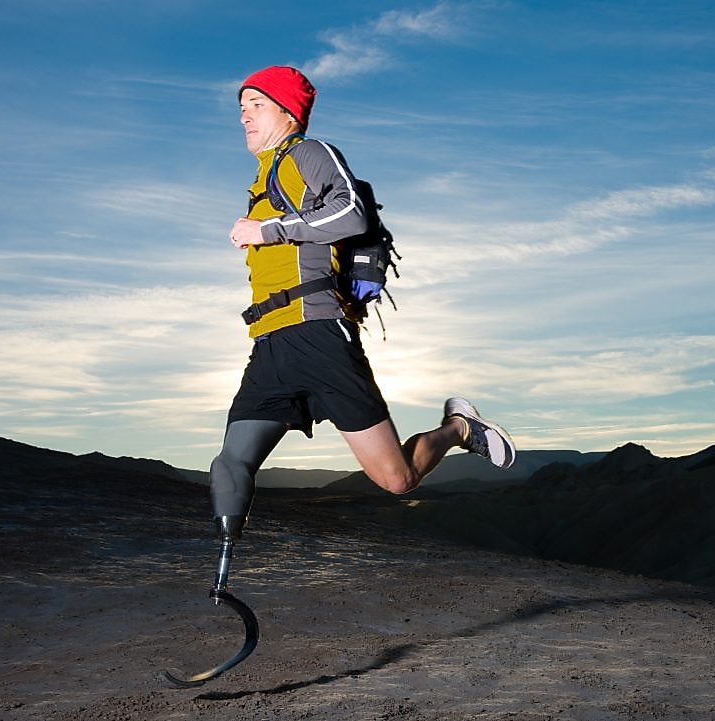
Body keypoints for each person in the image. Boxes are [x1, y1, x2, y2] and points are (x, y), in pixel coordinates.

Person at [210, 65, 516, 544]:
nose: (244, 116)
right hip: (269, 344)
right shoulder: (263, 177)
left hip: (317, 333)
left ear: (288, 112)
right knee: (231, 462)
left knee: (397, 479)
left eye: (257, 105)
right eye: (241, 108)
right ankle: (222, 576)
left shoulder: (308, 153)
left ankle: (458, 428)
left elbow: (352, 213)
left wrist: (265, 230)